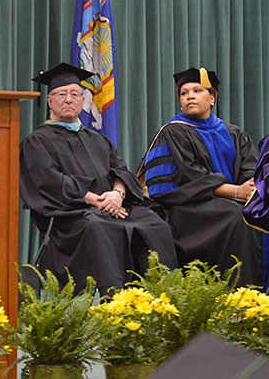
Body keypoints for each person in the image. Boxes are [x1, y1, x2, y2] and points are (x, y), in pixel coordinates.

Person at [19, 63, 177, 292]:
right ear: (50, 101)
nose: (69, 99)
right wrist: (96, 200)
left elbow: (121, 171)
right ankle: (111, 302)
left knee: (154, 224)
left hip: (115, 208)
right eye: (61, 94)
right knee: (98, 226)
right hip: (71, 217)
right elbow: (49, 182)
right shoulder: (38, 141)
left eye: (75, 94)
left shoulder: (98, 140)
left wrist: (117, 194)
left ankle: (162, 298)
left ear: (83, 101)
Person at [139, 67, 262, 285]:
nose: (190, 96)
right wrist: (235, 191)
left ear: (212, 97)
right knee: (238, 217)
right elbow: (191, 178)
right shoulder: (174, 131)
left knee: (257, 215)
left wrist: (250, 188)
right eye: (184, 93)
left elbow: (250, 169)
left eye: (197, 90)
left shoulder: (233, 132)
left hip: (229, 203)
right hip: (188, 208)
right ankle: (239, 296)